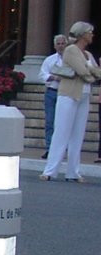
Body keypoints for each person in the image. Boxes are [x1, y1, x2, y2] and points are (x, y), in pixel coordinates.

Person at [41, 21, 101, 182]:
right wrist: (91, 75)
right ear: (82, 34)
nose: (92, 35)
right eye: (89, 32)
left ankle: (73, 172)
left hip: (84, 95)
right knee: (61, 131)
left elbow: (96, 72)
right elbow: (83, 71)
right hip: (68, 94)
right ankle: (50, 170)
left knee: (78, 134)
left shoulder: (88, 55)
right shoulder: (71, 50)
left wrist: (91, 74)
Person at [38, 33, 68, 158]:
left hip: (66, 92)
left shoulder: (70, 60)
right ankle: (50, 148)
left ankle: (62, 150)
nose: (60, 46)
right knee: (50, 122)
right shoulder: (49, 60)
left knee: (63, 123)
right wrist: (53, 77)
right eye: (58, 44)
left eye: (63, 43)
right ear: (55, 46)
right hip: (52, 92)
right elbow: (42, 75)